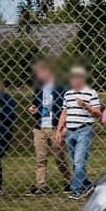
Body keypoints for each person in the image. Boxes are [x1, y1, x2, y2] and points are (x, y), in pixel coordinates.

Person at [56, 66, 103, 198]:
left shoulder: (91, 93)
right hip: (70, 132)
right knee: (75, 163)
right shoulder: (68, 94)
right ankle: (88, 185)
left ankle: (76, 191)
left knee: (79, 162)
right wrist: (59, 130)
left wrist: (85, 106)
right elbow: (64, 112)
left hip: (84, 130)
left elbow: (98, 114)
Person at [26, 60, 70, 195]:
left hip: (55, 126)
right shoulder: (38, 87)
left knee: (59, 157)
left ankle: (69, 181)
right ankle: (41, 186)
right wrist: (32, 108)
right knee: (41, 158)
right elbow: (35, 104)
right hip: (39, 126)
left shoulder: (60, 87)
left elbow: (65, 107)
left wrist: (64, 126)